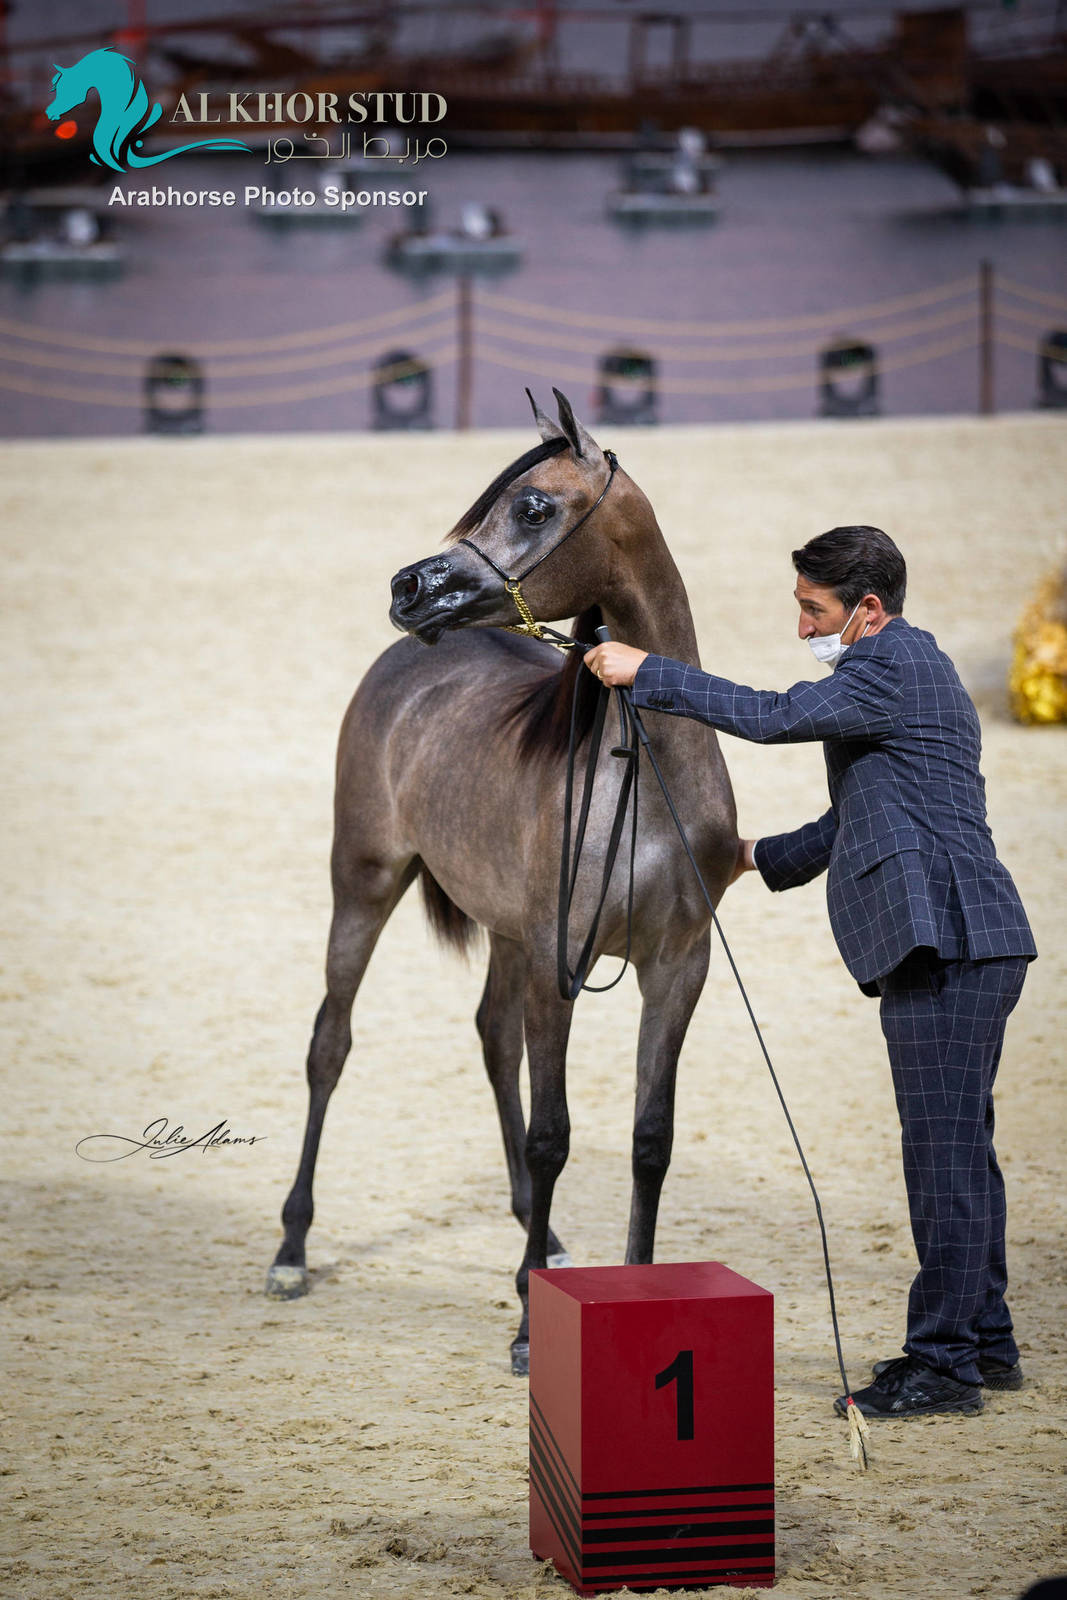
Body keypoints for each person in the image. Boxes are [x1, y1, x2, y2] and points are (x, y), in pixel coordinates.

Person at [583, 525, 1036, 1420]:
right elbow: (855, 816)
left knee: (940, 1163)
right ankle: (984, 1341)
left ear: (867, 609)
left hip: (945, 940)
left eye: (812, 610)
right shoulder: (904, 677)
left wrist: (651, 672)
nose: (803, 629)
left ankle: (942, 1365)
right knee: (961, 1156)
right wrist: (754, 854)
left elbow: (769, 716)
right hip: (968, 941)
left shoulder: (890, 668)